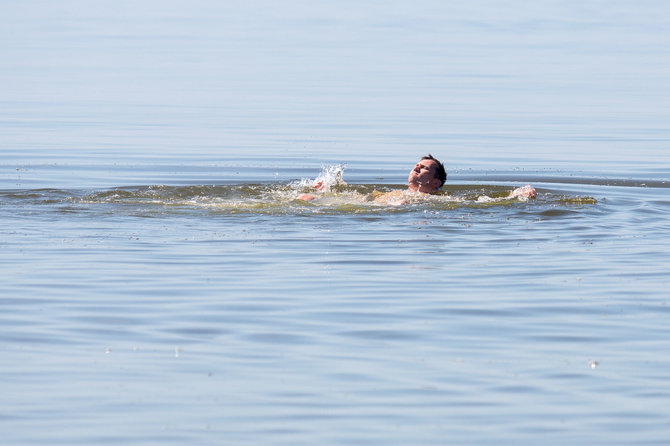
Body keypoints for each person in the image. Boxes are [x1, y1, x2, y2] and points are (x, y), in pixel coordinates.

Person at [297, 155, 536, 203]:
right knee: (306, 197)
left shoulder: (441, 201)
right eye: (416, 165)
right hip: (376, 206)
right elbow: (356, 201)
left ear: (436, 182)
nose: (416, 167)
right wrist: (326, 193)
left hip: (395, 211)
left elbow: (480, 203)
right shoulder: (386, 193)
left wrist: (515, 195)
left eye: (424, 168)